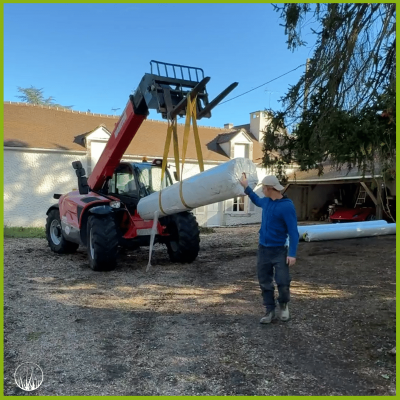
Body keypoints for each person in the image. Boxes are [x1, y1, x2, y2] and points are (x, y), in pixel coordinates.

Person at [239, 174, 299, 324]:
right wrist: (246, 187)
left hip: (279, 250)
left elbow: (293, 232)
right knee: (265, 282)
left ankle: (284, 305)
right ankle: (270, 311)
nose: (262, 191)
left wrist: (292, 254)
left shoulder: (286, 206)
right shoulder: (266, 202)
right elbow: (256, 199)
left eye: (263, 188)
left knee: (283, 281)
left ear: (269, 188)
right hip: (263, 250)